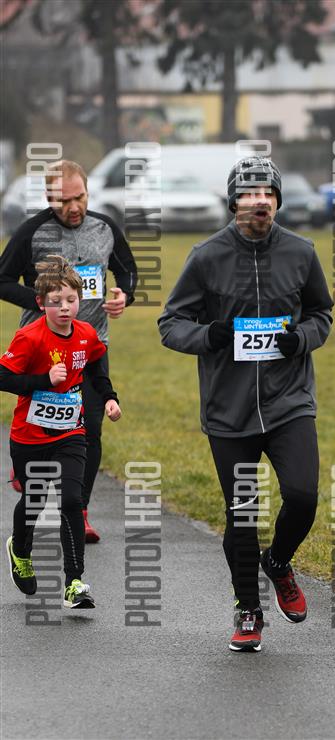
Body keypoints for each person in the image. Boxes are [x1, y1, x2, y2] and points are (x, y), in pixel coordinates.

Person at [158, 156, 333, 652]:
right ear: (233, 202)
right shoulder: (206, 256)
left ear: (277, 201)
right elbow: (171, 324)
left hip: (289, 402)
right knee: (242, 515)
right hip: (228, 410)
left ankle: (277, 562)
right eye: (250, 193)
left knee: (302, 496)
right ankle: (249, 610)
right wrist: (209, 335)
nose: (260, 201)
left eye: (268, 194)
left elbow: (321, 314)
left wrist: (301, 339)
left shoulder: (301, 252)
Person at [0, 159, 137, 543]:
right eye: (63, 201)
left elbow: (127, 269)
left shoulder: (105, 227)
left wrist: (125, 294)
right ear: (49, 198)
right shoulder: (32, 232)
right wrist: (45, 300)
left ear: (88, 192)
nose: (73, 207)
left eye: (79, 197)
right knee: (41, 421)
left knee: (89, 428)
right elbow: (2, 279)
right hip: (41, 349)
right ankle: (24, 467)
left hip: (91, 345)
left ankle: (80, 510)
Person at [0, 255, 121, 608]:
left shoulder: (86, 334)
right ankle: (20, 550)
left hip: (71, 432)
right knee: (34, 501)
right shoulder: (29, 337)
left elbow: (96, 366)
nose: (65, 307)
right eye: (56, 301)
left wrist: (109, 398)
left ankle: (74, 583)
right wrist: (43, 381)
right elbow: (3, 377)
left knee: (71, 500)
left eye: (71, 300)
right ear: (41, 303)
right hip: (30, 435)